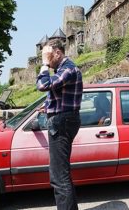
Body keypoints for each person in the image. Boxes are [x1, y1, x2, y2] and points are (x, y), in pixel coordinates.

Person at [36, 39, 83, 210]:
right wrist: (48, 106)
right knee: (62, 174)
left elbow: (43, 85)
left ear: (57, 52)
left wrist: (44, 64)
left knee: (58, 177)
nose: (46, 58)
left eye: (48, 54)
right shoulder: (63, 69)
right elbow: (62, 95)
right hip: (64, 118)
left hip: (62, 121)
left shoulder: (68, 68)